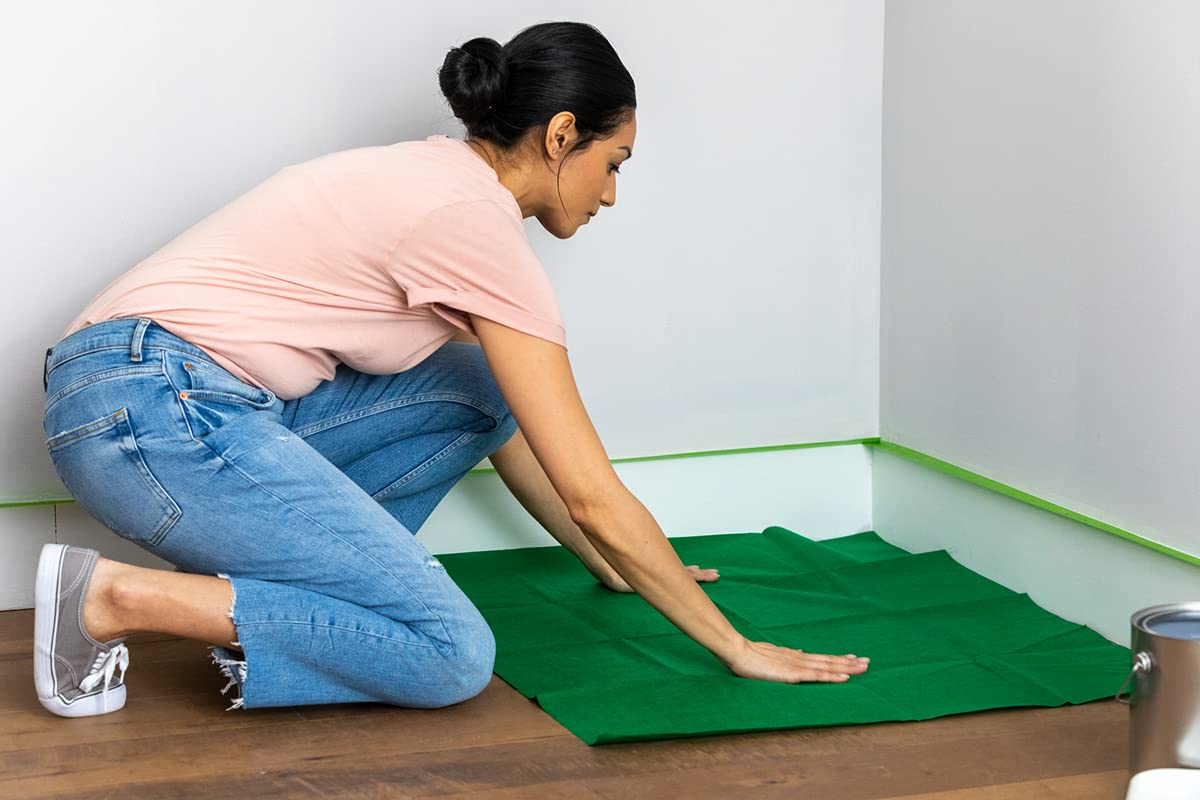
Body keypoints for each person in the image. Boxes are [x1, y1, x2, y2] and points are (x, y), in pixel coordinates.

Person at [34, 20, 869, 719]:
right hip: (156, 411)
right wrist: (734, 644)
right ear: (562, 135)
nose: (611, 193)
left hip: (144, 400)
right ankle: (113, 597)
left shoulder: (440, 181)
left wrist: (607, 561)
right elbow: (590, 488)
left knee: (482, 383)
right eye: (613, 162)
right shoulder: (472, 227)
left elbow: (515, 423)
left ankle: (269, 609)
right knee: (451, 654)